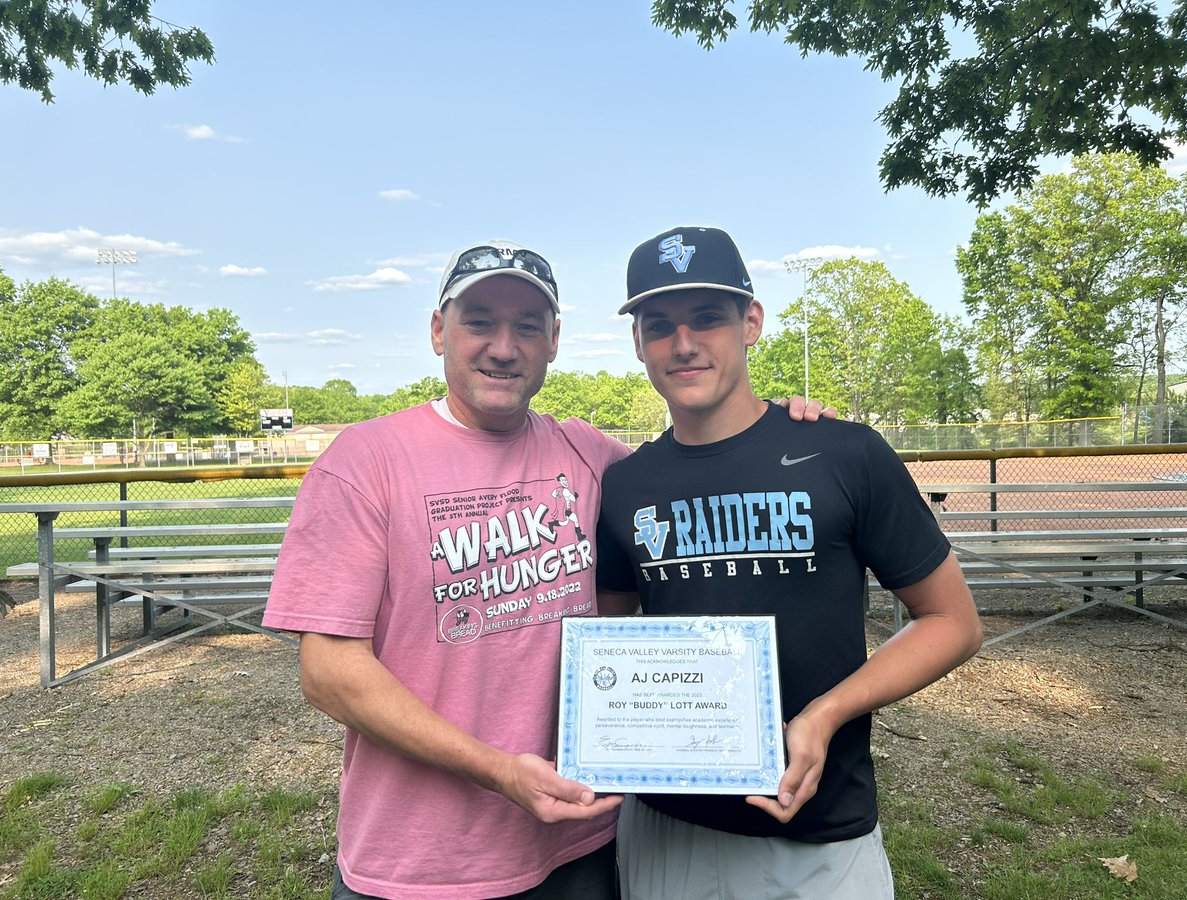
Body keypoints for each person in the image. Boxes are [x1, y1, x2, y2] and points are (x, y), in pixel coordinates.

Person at [262, 239, 832, 899]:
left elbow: (695, 467)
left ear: (554, 340)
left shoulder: (586, 452)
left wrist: (784, 430)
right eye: (480, 321)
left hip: (574, 844)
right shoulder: (366, 460)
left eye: (527, 326)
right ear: (439, 330)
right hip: (414, 864)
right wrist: (498, 771)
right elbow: (329, 671)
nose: (504, 346)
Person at [595, 226, 983, 900]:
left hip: (818, 834)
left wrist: (824, 715)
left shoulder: (844, 453)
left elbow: (952, 622)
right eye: (659, 326)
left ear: (751, 322)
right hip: (667, 825)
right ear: (638, 344)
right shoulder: (627, 484)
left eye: (708, 318)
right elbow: (608, 638)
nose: (683, 344)